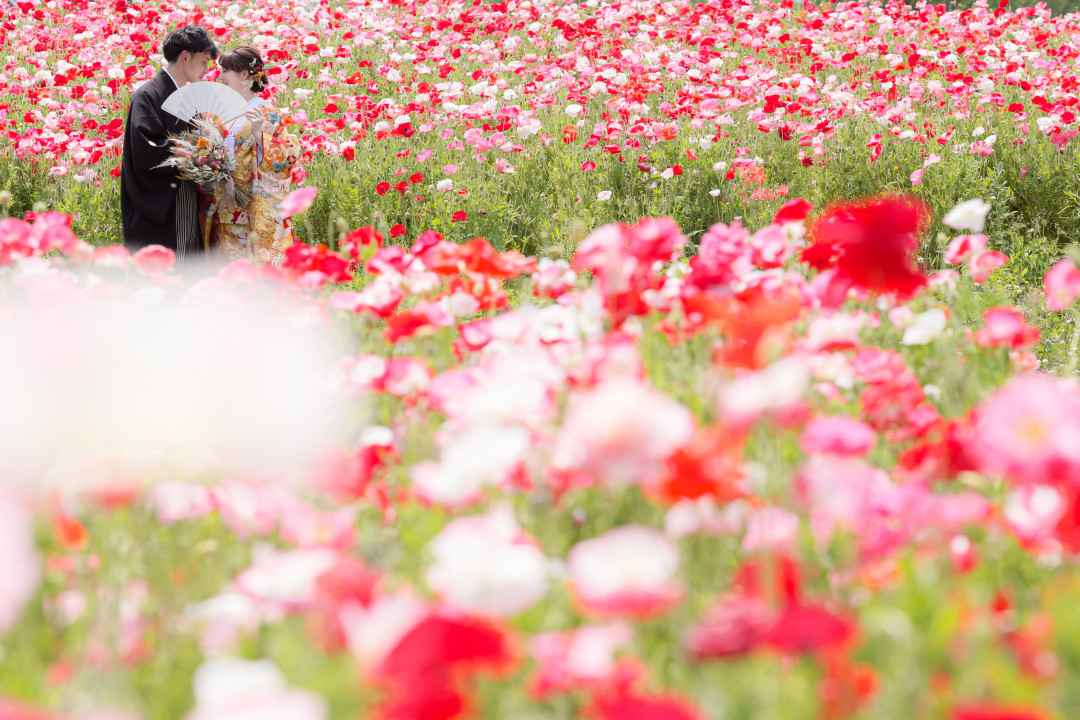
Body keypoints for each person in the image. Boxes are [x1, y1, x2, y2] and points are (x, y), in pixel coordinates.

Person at [120, 26, 218, 267]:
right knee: (166, 271)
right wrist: (195, 154)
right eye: (204, 61)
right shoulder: (148, 95)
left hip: (184, 195)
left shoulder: (185, 96)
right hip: (162, 200)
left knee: (186, 263)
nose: (207, 70)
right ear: (186, 57)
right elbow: (148, 149)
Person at [202, 46, 301, 266]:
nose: (220, 76)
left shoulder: (267, 112)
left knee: (250, 271)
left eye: (225, 71)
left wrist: (260, 136)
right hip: (222, 204)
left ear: (244, 75)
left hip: (251, 208)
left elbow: (286, 162)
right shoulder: (218, 114)